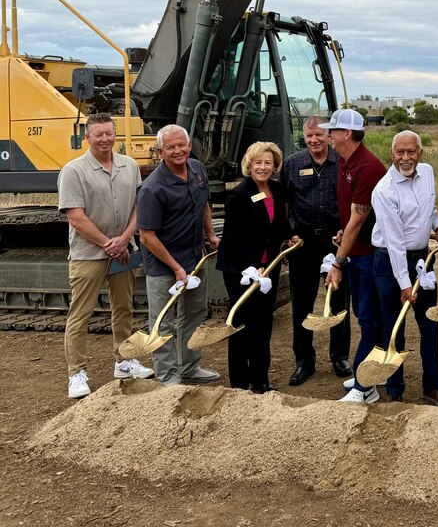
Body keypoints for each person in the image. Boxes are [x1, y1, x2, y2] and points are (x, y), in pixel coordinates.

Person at [59, 112, 153, 399]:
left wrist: (124, 239)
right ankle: (76, 373)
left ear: (115, 135)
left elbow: (138, 207)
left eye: (109, 133)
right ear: (87, 137)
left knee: (124, 308)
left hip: (123, 251)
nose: (104, 139)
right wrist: (108, 244)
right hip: (89, 254)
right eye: (98, 134)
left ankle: (124, 361)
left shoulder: (129, 165)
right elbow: (76, 217)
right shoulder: (73, 171)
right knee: (81, 313)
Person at [371, 130, 438, 405]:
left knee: (430, 323)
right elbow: (394, 243)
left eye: (411, 152)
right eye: (400, 152)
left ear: (420, 154)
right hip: (390, 263)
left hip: (422, 260)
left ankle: (433, 386)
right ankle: (395, 390)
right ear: (392, 154)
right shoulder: (384, 191)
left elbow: (428, 208)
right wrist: (405, 284)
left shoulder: (427, 172)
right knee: (394, 327)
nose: (405, 158)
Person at [137, 125, 221, 386]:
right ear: (160, 152)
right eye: (170, 147)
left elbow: (204, 204)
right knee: (163, 320)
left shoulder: (197, 169)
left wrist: (211, 235)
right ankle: (167, 375)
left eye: (181, 145)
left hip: (194, 258)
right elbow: (146, 236)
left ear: (189, 145)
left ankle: (189, 367)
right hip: (163, 266)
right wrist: (175, 267)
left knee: (194, 314)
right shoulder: (152, 188)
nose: (177, 151)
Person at [216, 142, 298, 393]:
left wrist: (290, 236)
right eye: (258, 162)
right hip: (241, 269)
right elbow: (231, 237)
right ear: (249, 165)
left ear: (275, 166)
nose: (263, 167)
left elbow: (278, 225)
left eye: (268, 163)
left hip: (268, 267)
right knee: (242, 324)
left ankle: (260, 379)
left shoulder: (277, 190)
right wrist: (252, 267)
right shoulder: (239, 194)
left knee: (263, 322)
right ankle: (240, 384)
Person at [320, 109, 387, 403]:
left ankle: (365, 386)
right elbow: (351, 217)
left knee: (369, 319)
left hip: (370, 255)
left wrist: (337, 261)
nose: (328, 135)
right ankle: (368, 373)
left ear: (347, 133)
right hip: (357, 252)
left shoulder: (368, 167)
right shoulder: (345, 161)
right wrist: (342, 232)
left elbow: (358, 221)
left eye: (333, 130)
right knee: (364, 315)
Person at [281, 116, 352, 386]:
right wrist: (287, 235)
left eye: (319, 135)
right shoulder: (292, 164)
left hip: (336, 240)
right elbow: (284, 202)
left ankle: (339, 356)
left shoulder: (342, 162)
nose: (314, 140)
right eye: (309, 136)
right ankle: (304, 361)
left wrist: (346, 231)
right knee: (302, 302)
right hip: (303, 242)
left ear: (329, 136)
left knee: (338, 299)